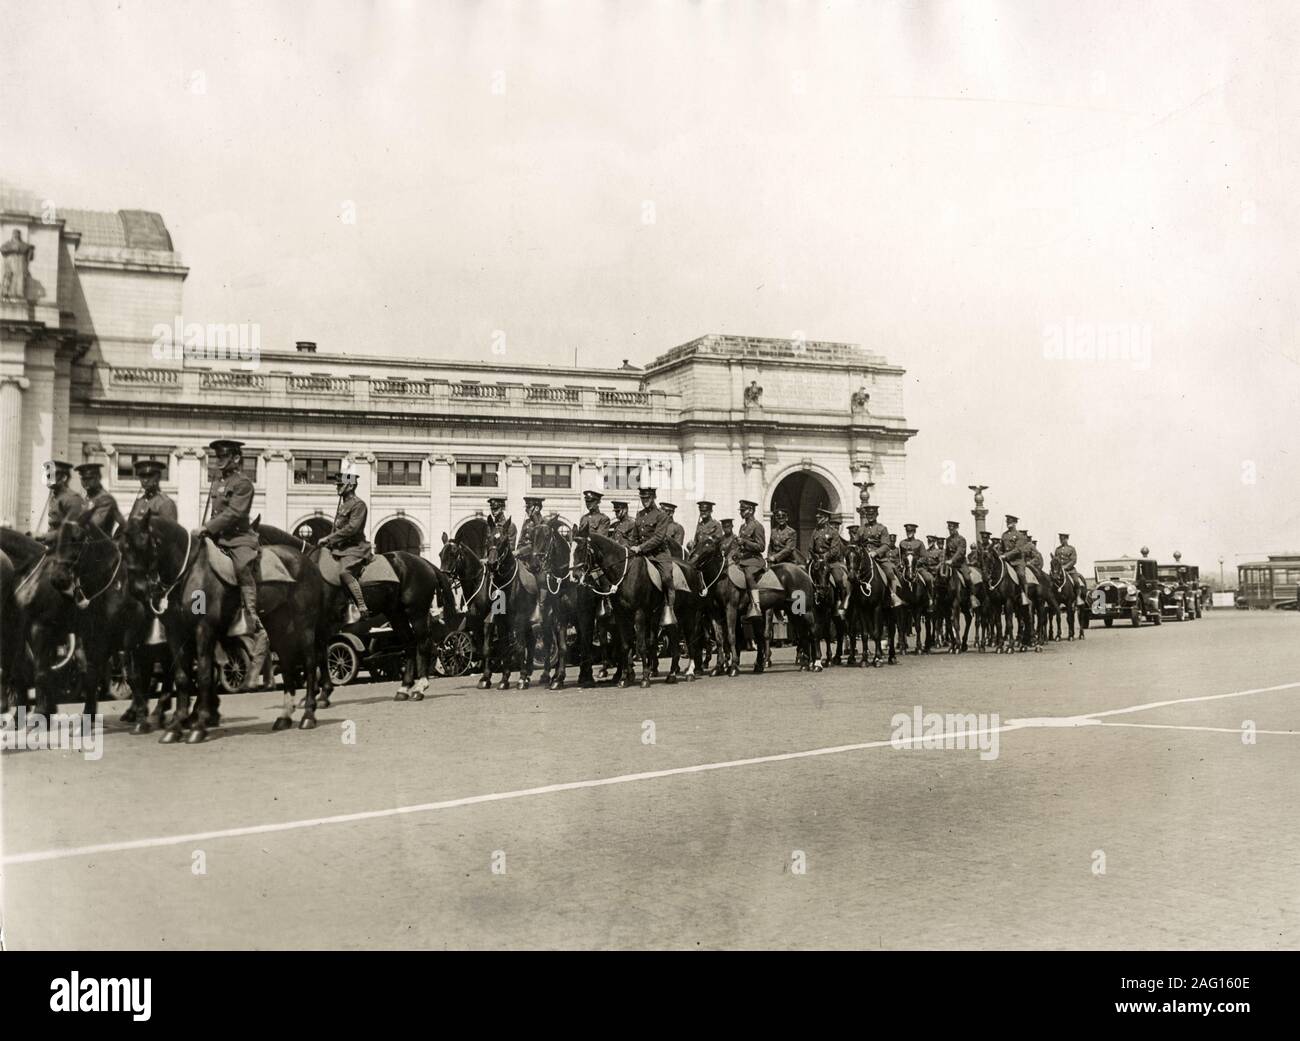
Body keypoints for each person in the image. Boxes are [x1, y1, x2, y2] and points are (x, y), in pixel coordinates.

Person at [198, 439, 268, 685]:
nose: (219, 459)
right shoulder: (217, 482)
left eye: (224, 455)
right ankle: (199, 616)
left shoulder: (243, 483)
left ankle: (251, 613)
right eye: (217, 455)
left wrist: (207, 527)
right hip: (218, 539)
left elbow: (235, 514)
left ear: (237, 458)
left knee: (240, 567)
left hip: (239, 540)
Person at [318, 470, 373, 618]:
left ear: (349, 486)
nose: (337, 487)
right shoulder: (344, 505)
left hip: (355, 548)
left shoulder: (358, 504)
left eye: (340, 485)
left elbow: (352, 529)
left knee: (344, 573)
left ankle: (361, 606)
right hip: (339, 548)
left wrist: (328, 539)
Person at [854, 504, 905, 607]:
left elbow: (886, 545)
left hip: (879, 558)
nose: (870, 516)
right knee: (852, 575)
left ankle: (893, 595)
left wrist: (876, 552)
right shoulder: (861, 529)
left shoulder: (882, 528)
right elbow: (856, 543)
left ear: (877, 514)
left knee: (890, 572)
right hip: (864, 558)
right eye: (868, 514)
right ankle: (849, 596)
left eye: (872, 514)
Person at [628, 485, 674, 595]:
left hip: (659, 554)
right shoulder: (640, 514)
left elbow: (658, 538)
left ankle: (669, 606)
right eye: (642, 498)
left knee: (667, 577)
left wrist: (640, 547)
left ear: (653, 497)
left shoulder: (661, 515)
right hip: (641, 553)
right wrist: (631, 547)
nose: (644, 501)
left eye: (647, 498)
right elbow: (635, 536)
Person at [39, 459, 87, 541]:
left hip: (69, 548)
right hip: (56, 544)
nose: (48, 479)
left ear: (64, 478)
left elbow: (75, 531)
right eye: (48, 476)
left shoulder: (72, 499)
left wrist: (44, 536)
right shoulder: (56, 497)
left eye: (52, 475)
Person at [734, 499, 767, 618]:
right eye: (741, 510)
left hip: (754, 560)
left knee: (748, 574)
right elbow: (740, 546)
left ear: (751, 510)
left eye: (743, 510)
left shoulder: (757, 526)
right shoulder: (742, 526)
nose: (741, 512)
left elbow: (761, 547)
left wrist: (745, 542)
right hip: (742, 559)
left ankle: (756, 605)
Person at [75, 462, 124, 537]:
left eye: (90, 478)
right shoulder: (87, 498)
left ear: (99, 477)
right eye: (83, 479)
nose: (86, 482)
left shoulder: (105, 499)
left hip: (99, 545)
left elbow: (94, 526)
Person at [127, 459, 178, 524]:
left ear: (158, 477)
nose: (145, 480)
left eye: (150, 476)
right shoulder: (139, 502)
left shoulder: (165, 503)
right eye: (142, 476)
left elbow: (170, 531)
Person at [945, 520, 979, 607]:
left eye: (952, 528)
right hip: (950, 565)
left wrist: (952, 560)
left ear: (956, 528)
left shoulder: (961, 539)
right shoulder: (948, 540)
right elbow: (947, 553)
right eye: (949, 528)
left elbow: (960, 552)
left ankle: (972, 597)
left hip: (960, 564)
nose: (950, 530)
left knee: (967, 578)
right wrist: (944, 561)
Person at [1000, 514, 1030, 605]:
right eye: (1007, 521)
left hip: (1017, 562)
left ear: (1015, 523)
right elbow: (1001, 548)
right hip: (1006, 562)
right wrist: (999, 554)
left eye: (1010, 521)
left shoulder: (1020, 535)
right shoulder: (1004, 535)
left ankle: (1025, 595)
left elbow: (1018, 550)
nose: (1008, 523)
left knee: (1021, 574)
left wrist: (1006, 555)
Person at [516, 496, 544, 569]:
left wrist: (519, 551)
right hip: (522, 557)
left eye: (529, 507)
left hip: (535, 560)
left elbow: (537, 545)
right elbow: (520, 540)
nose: (526, 510)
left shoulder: (543, 523)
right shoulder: (527, 522)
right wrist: (517, 551)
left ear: (537, 508)